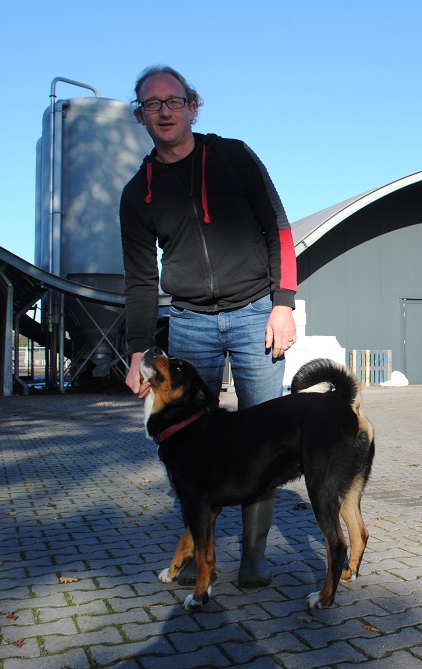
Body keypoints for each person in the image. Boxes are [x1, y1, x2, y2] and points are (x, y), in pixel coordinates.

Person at [120, 65, 297, 588]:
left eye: (173, 101)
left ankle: (254, 557)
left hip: (253, 315)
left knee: (260, 440)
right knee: (192, 446)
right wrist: (137, 351)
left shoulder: (233, 156)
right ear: (141, 117)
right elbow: (138, 280)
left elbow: (279, 229)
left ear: (192, 107)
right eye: (153, 105)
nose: (165, 111)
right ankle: (202, 552)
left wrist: (283, 304)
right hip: (189, 324)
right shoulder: (138, 194)